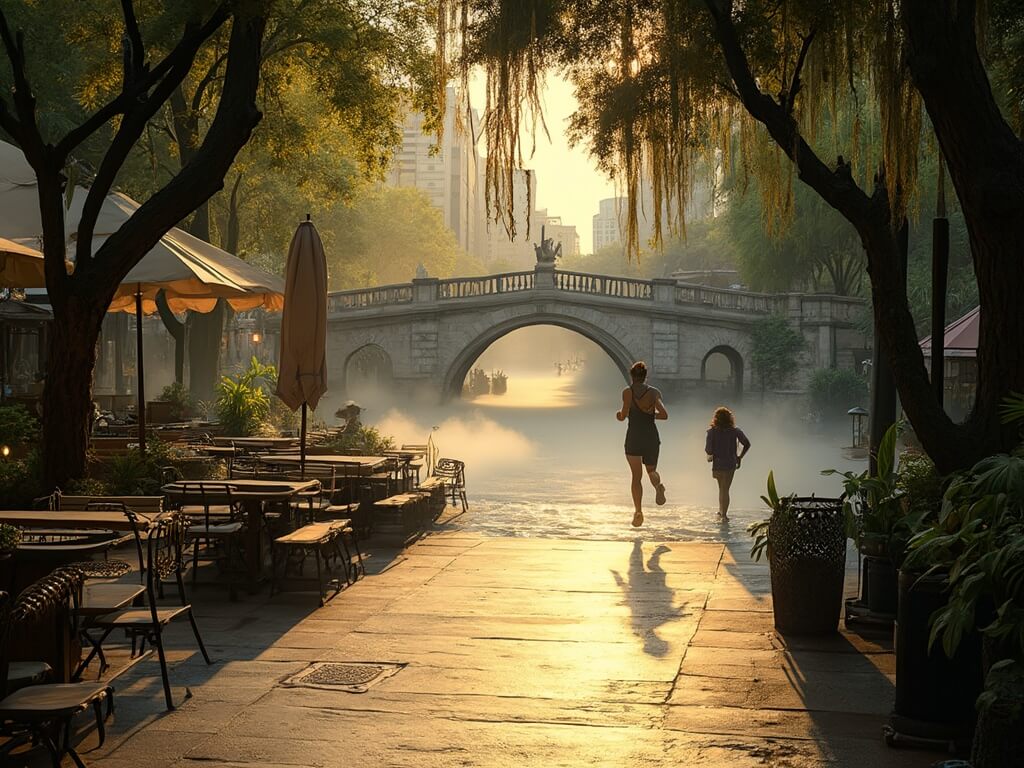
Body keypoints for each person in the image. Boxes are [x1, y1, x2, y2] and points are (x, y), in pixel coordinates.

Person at [616, 361, 668, 527]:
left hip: (634, 437)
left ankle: (638, 511)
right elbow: (664, 415)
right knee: (651, 471)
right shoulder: (654, 393)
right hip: (651, 437)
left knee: (636, 477)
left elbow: (623, 415)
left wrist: (619, 415)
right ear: (646, 376)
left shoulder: (627, 392)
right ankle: (658, 485)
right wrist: (650, 416)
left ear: (632, 376)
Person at [705, 406, 751, 519]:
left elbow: (708, 450)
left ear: (716, 418)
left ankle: (722, 513)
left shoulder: (711, 432)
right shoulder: (735, 431)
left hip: (718, 464)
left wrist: (711, 455)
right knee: (725, 489)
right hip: (730, 463)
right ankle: (723, 514)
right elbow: (747, 444)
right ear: (730, 418)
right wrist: (740, 457)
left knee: (722, 489)